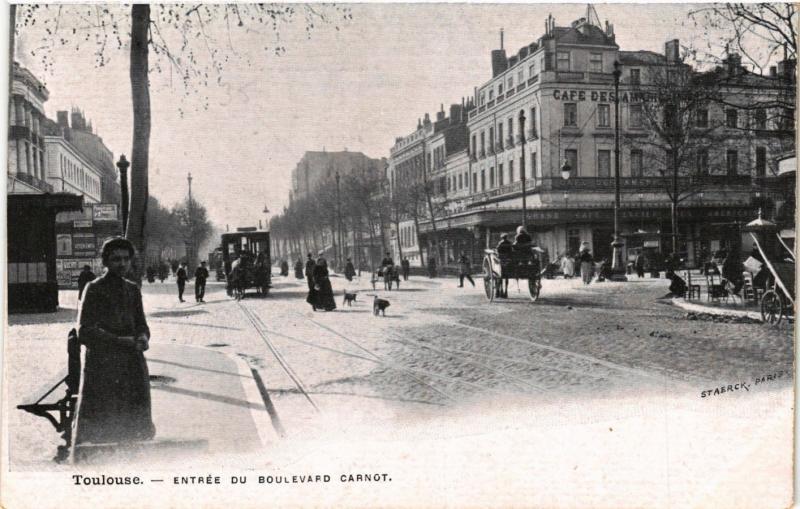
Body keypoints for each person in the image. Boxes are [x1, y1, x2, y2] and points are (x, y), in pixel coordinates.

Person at [75, 237, 155, 445]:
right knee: (106, 423)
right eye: (116, 259)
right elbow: (84, 330)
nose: (122, 264)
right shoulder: (94, 289)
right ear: (105, 262)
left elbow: (142, 324)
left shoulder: (132, 289)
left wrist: (143, 337)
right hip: (104, 365)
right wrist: (119, 341)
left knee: (134, 424)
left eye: (126, 259)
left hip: (132, 364)